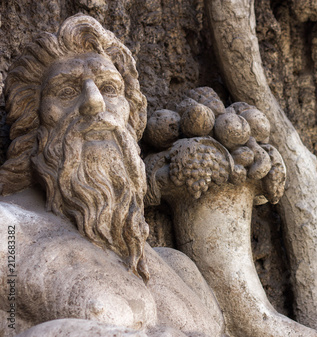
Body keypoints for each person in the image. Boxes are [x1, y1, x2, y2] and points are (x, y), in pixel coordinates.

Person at [0, 14, 224, 337]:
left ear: (131, 118)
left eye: (109, 89)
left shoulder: (177, 267)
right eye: (65, 91)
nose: (94, 102)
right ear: (33, 126)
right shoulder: (10, 233)